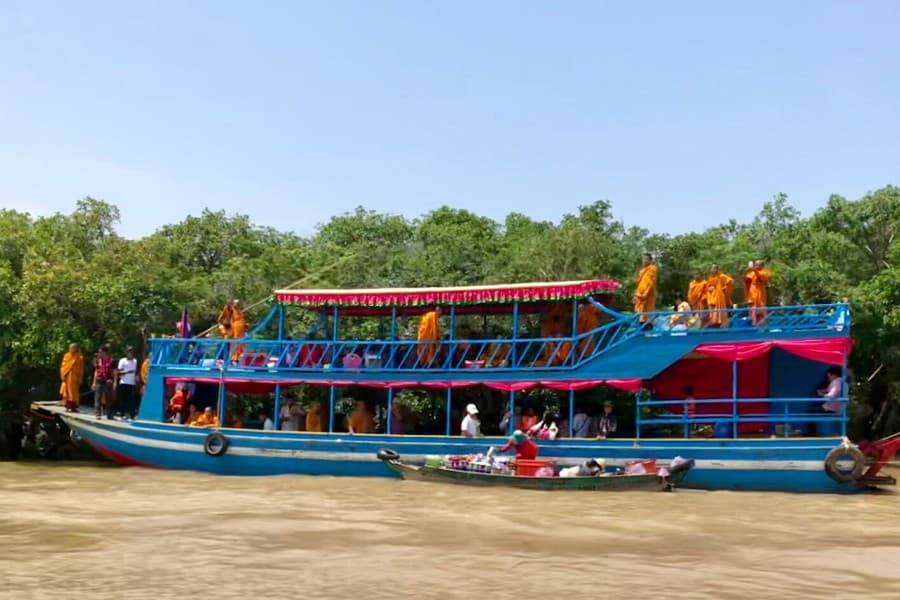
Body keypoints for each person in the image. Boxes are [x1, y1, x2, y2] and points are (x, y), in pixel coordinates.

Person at [744, 260, 772, 325]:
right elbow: (746, 280)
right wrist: (747, 271)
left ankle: (763, 326)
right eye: (755, 265)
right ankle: (753, 325)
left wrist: (755, 270)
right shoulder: (752, 272)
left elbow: (762, 279)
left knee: (761, 310)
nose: (756, 266)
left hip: (760, 293)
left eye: (757, 265)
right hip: (752, 293)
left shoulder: (766, 272)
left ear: (762, 265)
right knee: (752, 309)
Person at [92, 345, 117, 419]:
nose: (99, 353)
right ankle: (97, 414)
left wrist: (115, 382)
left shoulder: (112, 361)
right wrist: (94, 382)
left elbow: (115, 372)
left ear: (104, 352)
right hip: (99, 380)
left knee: (109, 398)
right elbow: (96, 371)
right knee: (98, 397)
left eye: (100, 352)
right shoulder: (98, 360)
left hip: (108, 380)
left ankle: (109, 414)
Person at [59, 343, 85, 412]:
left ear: (76, 348)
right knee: (66, 392)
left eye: (73, 348)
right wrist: (62, 375)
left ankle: (74, 407)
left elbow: (81, 369)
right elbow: (63, 367)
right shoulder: (66, 355)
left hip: (75, 378)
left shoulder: (79, 357)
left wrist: (80, 378)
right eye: (70, 348)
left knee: (74, 393)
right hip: (67, 377)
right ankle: (67, 407)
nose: (71, 349)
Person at [633, 253, 658, 324]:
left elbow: (651, 282)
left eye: (646, 259)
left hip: (648, 294)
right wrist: (636, 295)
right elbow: (639, 284)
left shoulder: (652, 268)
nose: (644, 261)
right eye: (643, 259)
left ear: (650, 261)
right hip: (639, 294)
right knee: (639, 313)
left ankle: (648, 328)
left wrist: (645, 294)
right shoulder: (642, 271)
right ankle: (641, 328)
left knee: (647, 312)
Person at [117, 347, 138, 420]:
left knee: (132, 400)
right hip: (124, 382)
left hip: (132, 383)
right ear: (127, 353)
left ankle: (132, 415)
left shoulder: (135, 361)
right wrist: (127, 372)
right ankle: (122, 414)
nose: (130, 354)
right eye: (129, 352)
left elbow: (135, 371)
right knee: (123, 399)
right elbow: (119, 372)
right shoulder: (122, 361)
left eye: (131, 352)